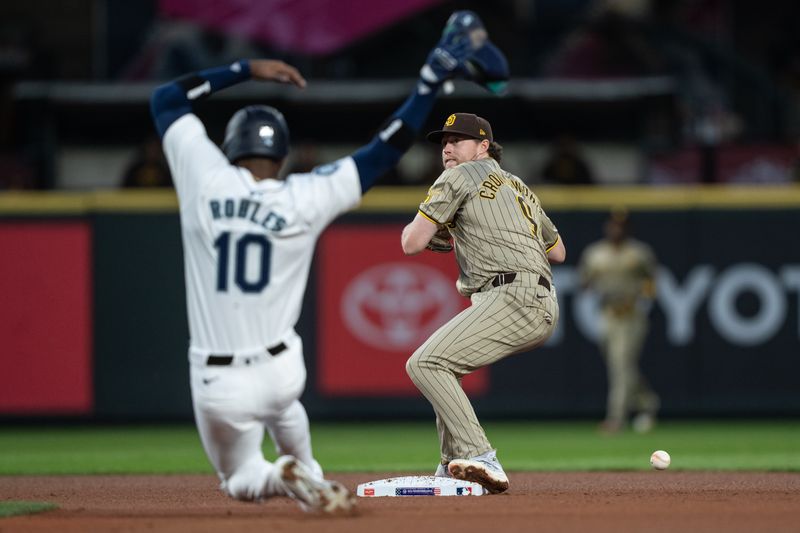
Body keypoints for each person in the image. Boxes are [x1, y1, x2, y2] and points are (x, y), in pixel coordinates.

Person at [149, 11, 507, 513]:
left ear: (229, 149)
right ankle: (307, 469)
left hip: (219, 380)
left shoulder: (203, 179)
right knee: (284, 407)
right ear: (284, 158)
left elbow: (166, 98)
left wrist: (247, 68)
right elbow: (385, 149)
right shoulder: (305, 196)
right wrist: (429, 82)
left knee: (239, 478)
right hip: (280, 369)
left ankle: (280, 475)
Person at [401, 112, 566, 494]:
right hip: (538, 298)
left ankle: (481, 455)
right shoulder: (518, 185)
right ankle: (450, 464)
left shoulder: (457, 177)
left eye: (457, 140)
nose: (447, 148)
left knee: (424, 362)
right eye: (444, 142)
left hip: (511, 295)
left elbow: (411, 243)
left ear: (483, 146)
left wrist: (436, 230)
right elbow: (558, 251)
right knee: (445, 369)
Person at [577, 208, 660, 434]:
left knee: (621, 366)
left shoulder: (639, 253)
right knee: (621, 366)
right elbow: (583, 282)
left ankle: (615, 419)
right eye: (613, 225)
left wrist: (642, 296)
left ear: (628, 229)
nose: (616, 229)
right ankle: (648, 402)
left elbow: (652, 280)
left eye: (621, 225)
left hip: (631, 316)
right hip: (607, 315)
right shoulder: (595, 253)